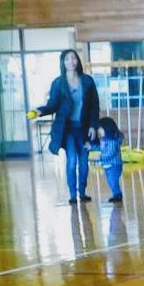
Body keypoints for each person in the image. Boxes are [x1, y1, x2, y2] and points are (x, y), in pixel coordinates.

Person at [34, 48, 100, 205]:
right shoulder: (58, 83)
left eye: (73, 58)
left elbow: (94, 106)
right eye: (67, 59)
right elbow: (52, 105)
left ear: (78, 60)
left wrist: (93, 126)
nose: (71, 61)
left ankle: (82, 192)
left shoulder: (88, 81)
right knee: (71, 160)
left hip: (83, 128)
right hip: (67, 128)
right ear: (63, 63)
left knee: (83, 162)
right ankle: (72, 194)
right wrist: (40, 111)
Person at [96, 117, 124, 204]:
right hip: (109, 165)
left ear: (106, 128)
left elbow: (110, 153)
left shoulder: (111, 141)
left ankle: (117, 195)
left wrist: (101, 158)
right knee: (111, 181)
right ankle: (117, 194)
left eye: (100, 129)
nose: (98, 131)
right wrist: (91, 147)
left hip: (114, 165)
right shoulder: (105, 140)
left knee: (112, 180)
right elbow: (101, 148)